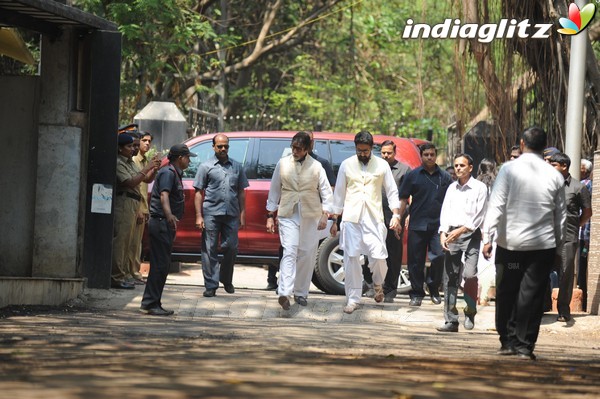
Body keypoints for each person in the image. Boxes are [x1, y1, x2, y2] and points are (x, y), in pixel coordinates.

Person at [482, 126, 566, 360]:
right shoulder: (555, 175)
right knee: (533, 294)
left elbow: (496, 205)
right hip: (542, 248)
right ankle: (525, 346)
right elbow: (561, 216)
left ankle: (507, 341)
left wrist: (487, 238)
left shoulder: (508, 170)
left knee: (507, 290)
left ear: (521, 144)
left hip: (511, 246)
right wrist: (558, 247)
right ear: (544, 147)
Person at [330, 131, 402, 314]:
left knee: (379, 256)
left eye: (366, 150)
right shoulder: (346, 165)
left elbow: (392, 191)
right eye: (359, 150)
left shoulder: (382, 165)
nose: (362, 153)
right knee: (351, 258)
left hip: (374, 218)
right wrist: (334, 219)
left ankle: (378, 284)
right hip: (351, 218)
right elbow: (339, 193)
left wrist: (395, 215)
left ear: (372, 148)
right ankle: (353, 299)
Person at [266, 132, 333, 310]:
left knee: (307, 252)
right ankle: (284, 292)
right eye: (293, 147)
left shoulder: (317, 166)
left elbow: (327, 193)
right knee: (290, 249)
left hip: (311, 214)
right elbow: (274, 190)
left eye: (299, 149)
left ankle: (301, 293)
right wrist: (269, 215)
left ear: (307, 149)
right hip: (288, 212)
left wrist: (326, 215)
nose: (294, 151)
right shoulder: (282, 163)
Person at [140, 144, 196, 316]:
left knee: (162, 265)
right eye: (188, 157)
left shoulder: (174, 173)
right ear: (180, 158)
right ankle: (150, 303)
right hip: (161, 222)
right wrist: (169, 214)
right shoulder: (168, 173)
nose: (189, 161)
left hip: (165, 224)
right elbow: (164, 195)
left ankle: (153, 302)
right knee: (159, 265)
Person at [436, 153, 488, 332]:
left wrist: (460, 231)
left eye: (462, 165)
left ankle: (470, 311)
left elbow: (479, 215)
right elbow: (445, 212)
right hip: (451, 234)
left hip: (471, 234)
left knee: (470, 275)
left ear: (470, 167)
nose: (458, 168)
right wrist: (443, 233)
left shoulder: (480, 188)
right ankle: (451, 320)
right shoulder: (451, 188)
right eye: (456, 165)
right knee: (450, 277)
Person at [194, 134, 249, 297]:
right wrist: (199, 215)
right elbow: (198, 192)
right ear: (213, 147)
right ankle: (211, 285)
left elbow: (241, 192)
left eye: (226, 146)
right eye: (219, 146)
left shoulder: (237, 167)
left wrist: (243, 213)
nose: (223, 149)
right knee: (209, 248)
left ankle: (226, 278)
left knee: (231, 247)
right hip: (211, 213)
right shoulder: (205, 166)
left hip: (231, 213)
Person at [398, 143, 453, 306]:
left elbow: (451, 201)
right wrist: (398, 219)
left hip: (438, 226)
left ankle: (434, 288)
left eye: (432, 154)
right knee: (415, 261)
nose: (429, 157)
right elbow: (403, 199)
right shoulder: (413, 176)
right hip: (417, 224)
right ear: (421, 156)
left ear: (436, 156)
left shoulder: (445, 177)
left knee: (439, 257)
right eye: (426, 154)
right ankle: (416, 293)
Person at [548, 153, 592, 322]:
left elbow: (587, 212)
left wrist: (575, 226)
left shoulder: (578, 187)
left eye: (554, 165)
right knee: (539, 271)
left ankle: (563, 309)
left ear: (564, 166)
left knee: (565, 273)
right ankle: (539, 307)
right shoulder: (546, 186)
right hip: (545, 237)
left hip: (568, 236)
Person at [112, 133, 159, 289]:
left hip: (133, 202)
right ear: (119, 148)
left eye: (133, 146)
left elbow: (145, 179)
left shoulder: (130, 162)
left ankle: (124, 273)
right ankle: (116, 276)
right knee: (121, 240)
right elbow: (131, 181)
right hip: (124, 201)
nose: (133, 149)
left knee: (130, 242)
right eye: (129, 146)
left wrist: (154, 169)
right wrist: (147, 168)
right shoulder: (119, 163)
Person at [372, 140, 411, 303]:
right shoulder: (375, 166)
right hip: (374, 215)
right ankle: (373, 287)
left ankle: (390, 289)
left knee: (393, 254)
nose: (386, 155)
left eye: (389, 153)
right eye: (383, 153)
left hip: (395, 217)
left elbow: (408, 195)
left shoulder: (404, 170)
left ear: (395, 152)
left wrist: (405, 216)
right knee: (373, 252)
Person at [130, 131, 158, 284]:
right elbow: (134, 186)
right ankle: (132, 273)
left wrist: (154, 168)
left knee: (137, 243)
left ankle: (134, 272)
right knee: (132, 244)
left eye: (149, 141)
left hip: (142, 207)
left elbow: (146, 180)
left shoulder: (143, 160)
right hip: (136, 206)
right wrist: (139, 209)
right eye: (144, 140)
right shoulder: (134, 160)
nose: (147, 144)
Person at [475, 158, 498, 306]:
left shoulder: (475, 184)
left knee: (478, 261)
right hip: (495, 227)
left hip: (477, 227)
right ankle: (486, 295)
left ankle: (478, 294)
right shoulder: (497, 185)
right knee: (491, 261)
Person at [578, 159, 593, 309]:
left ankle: (582, 302)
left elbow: (587, 212)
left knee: (581, 268)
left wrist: (587, 235)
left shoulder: (586, 185)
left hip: (582, 234)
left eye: (580, 167)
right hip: (579, 233)